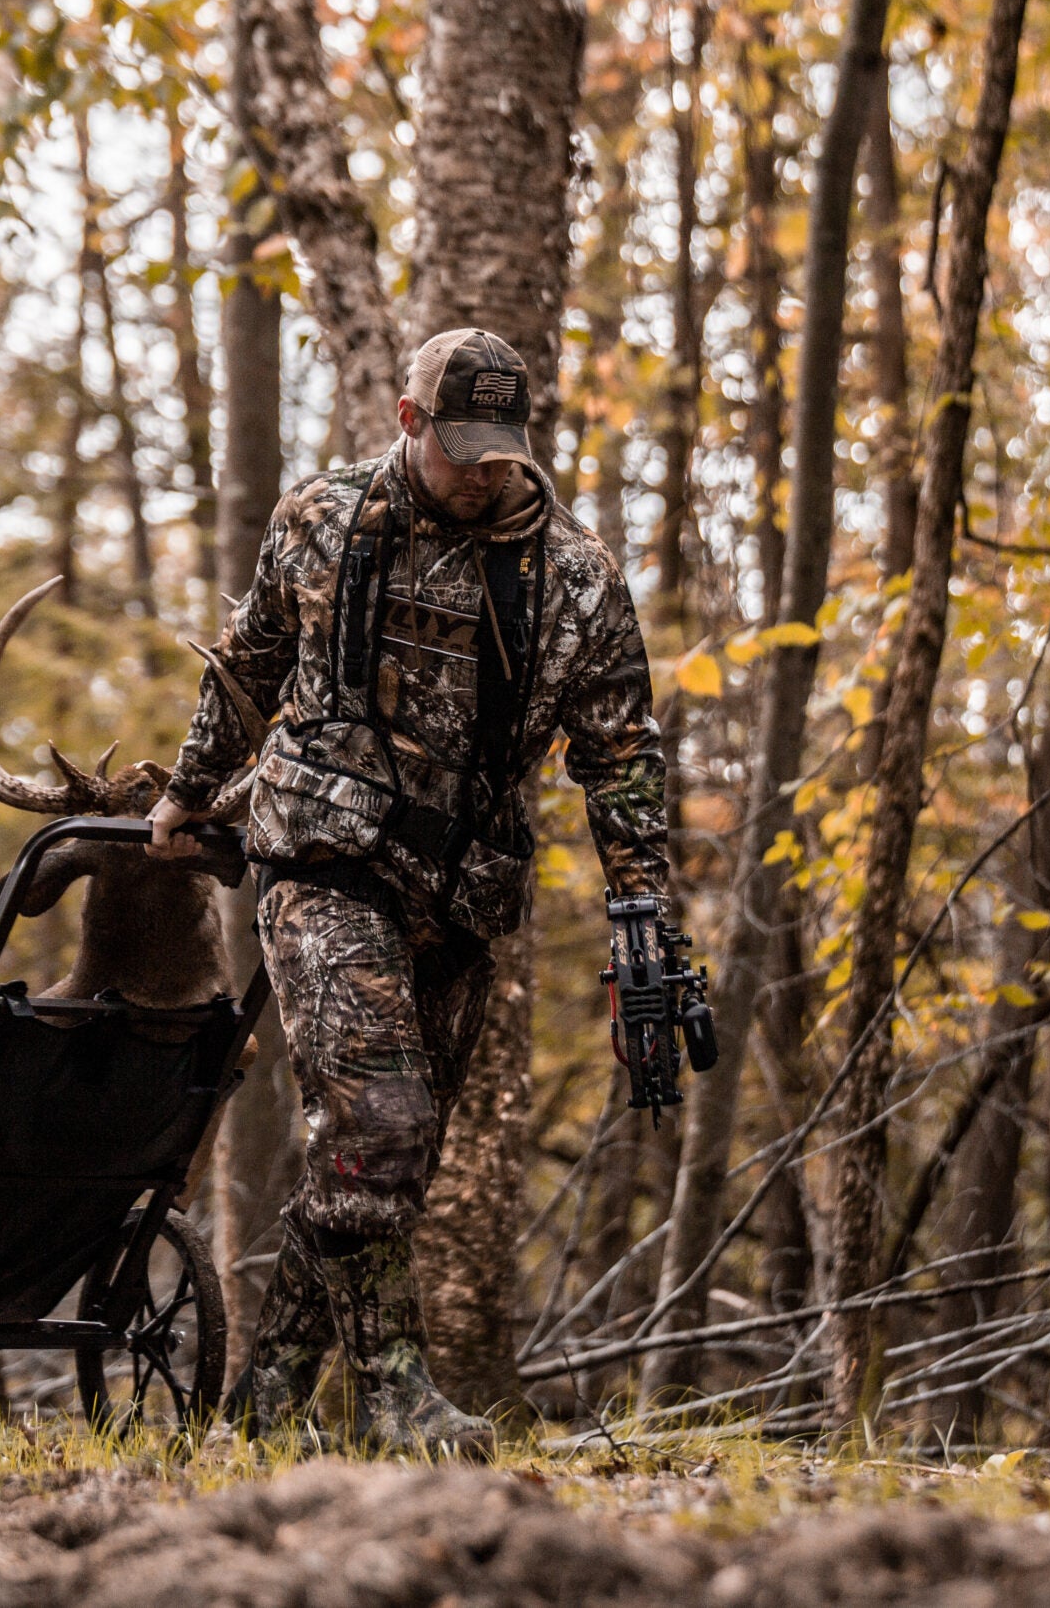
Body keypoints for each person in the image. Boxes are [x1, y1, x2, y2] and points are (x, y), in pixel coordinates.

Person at [147, 327, 676, 1456]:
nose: (485, 471)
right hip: (320, 861)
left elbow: (622, 756)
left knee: (383, 1155)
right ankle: (392, 1396)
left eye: (504, 451)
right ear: (407, 421)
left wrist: (644, 915)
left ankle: (263, 1405)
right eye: (461, 447)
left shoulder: (579, 579)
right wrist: (189, 793)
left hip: (460, 891)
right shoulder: (317, 519)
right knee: (382, 1121)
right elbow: (248, 663)